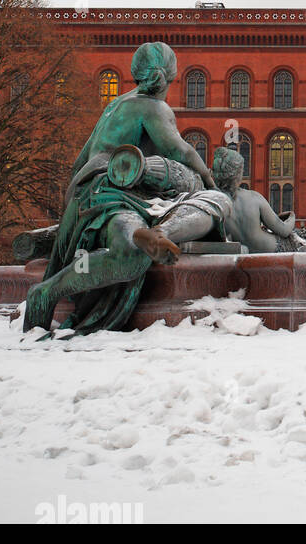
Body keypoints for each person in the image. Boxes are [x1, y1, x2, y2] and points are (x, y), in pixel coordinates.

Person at [24, 42, 228, 334]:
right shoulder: (153, 106)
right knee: (130, 255)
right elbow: (180, 151)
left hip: (86, 193)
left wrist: (73, 208)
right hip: (112, 188)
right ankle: (46, 293)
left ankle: (48, 292)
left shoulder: (115, 105)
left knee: (130, 240)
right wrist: (208, 179)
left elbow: (80, 160)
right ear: (169, 76)